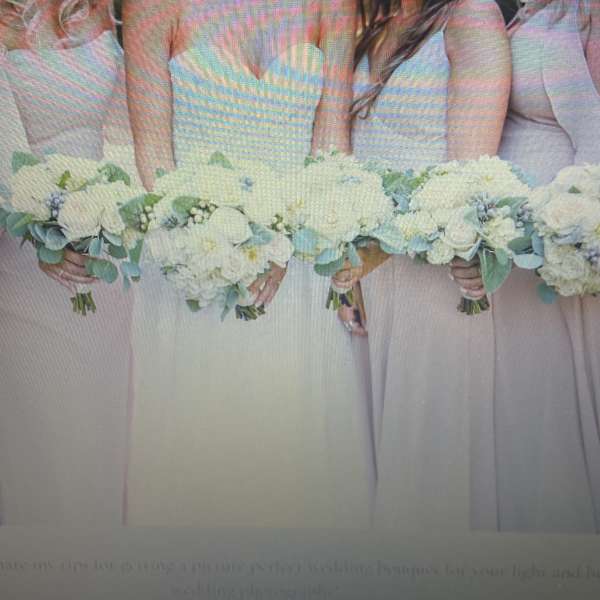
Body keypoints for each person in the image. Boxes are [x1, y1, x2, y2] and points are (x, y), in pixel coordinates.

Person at [122, 0, 375, 528]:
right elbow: (154, 157)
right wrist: (216, 244)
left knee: (297, 452)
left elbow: (331, 144)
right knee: (202, 448)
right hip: (197, 266)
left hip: (298, 266)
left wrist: (285, 242)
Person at [335, 0, 511, 530]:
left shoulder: (470, 17)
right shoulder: (374, 23)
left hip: (435, 282)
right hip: (371, 282)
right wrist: (350, 267)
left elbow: (467, 183)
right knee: (373, 466)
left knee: (426, 470)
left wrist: (377, 251)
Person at [0, 0, 133, 525]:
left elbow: (127, 124)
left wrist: (119, 209)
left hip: (110, 247)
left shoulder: (100, 6)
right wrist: (38, 233)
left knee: (112, 435)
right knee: (49, 440)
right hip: (27, 257)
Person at [476, 0, 600, 533]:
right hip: (516, 255)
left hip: (558, 252)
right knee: (521, 417)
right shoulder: (533, 11)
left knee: (551, 415)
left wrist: (573, 229)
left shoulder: (585, 14)